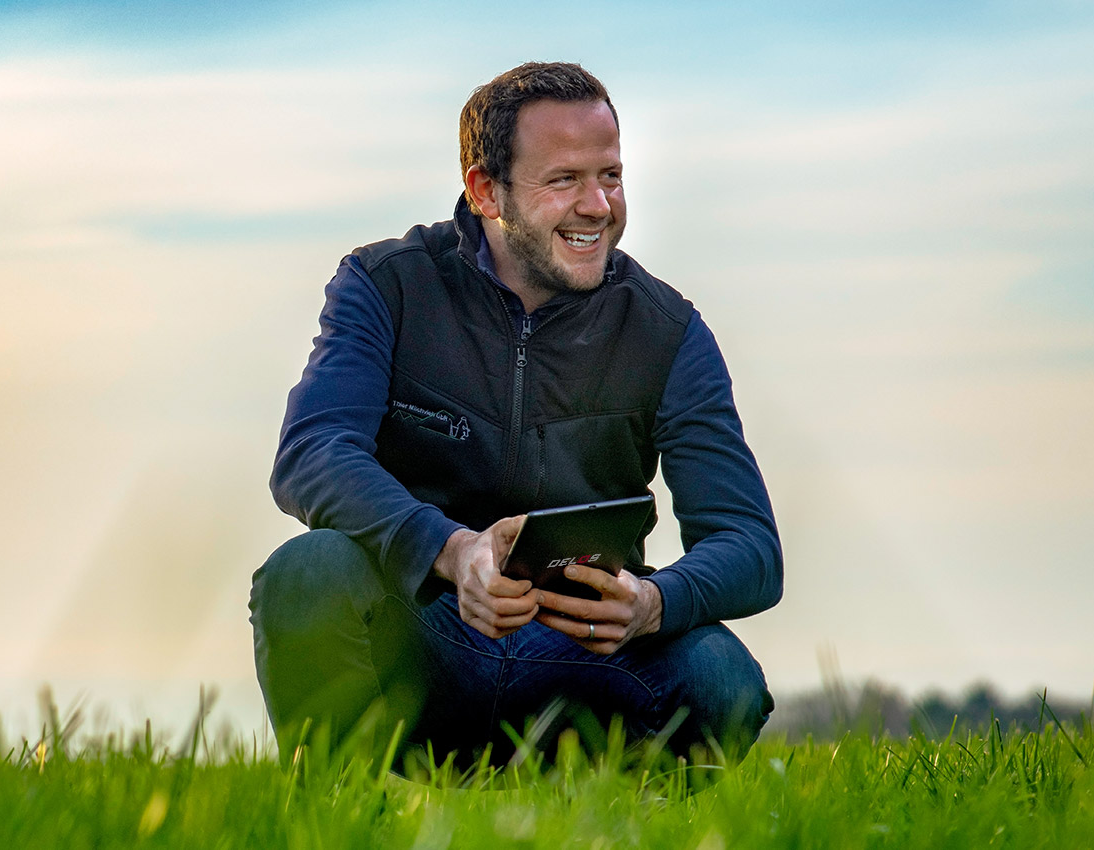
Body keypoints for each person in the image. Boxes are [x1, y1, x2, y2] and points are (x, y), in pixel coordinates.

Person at [251, 62, 779, 767]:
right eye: (564, 180)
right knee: (308, 571)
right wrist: (451, 550)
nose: (598, 205)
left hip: (588, 661)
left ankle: (629, 827)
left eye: (612, 176)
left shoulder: (669, 331)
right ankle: (345, 817)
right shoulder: (386, 285)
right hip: (427, 643)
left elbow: (750, 544)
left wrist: (654, 603)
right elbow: (313, 453)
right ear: (485, 190)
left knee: (723, 674)